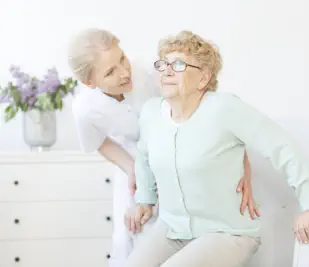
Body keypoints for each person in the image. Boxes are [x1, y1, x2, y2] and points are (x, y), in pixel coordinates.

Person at [125, 30, 309, 267]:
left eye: (179, 64)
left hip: (227, 233)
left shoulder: (225, 109)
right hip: (171, 229)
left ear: (203, 78)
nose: (167, 70)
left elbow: (281, 147)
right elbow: (144, 156)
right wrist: (144, 201)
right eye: (163, 64)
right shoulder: (151, 113)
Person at [67, 28, 259, 267]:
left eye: (122, 59)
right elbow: (99, 143)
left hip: (181, 156)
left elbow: (210, 111)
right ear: (89, 82)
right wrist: (132, 169)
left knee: (190, 230)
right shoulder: (84, 108)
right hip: (134, 163)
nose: (125, 72)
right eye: (110, 72)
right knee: (127, 240)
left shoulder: (151, 69)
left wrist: (242, 168)